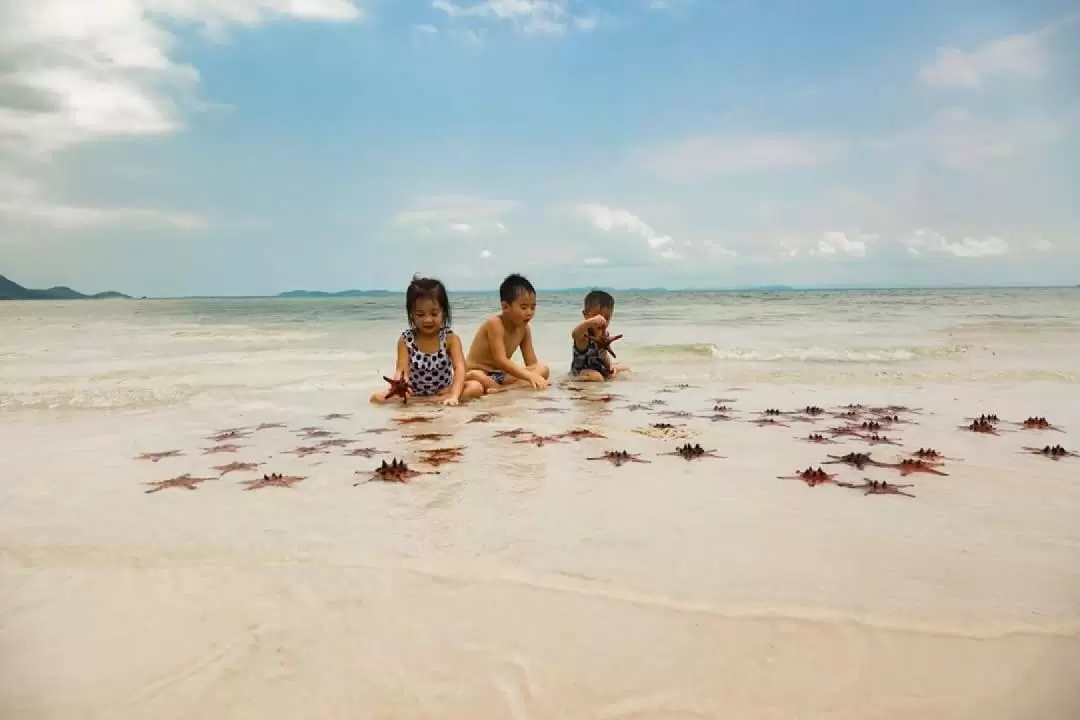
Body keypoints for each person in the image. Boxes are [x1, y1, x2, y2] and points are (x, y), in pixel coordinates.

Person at [370, 276, 485, 406]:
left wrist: (454, 393)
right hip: (414, 393)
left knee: (476, 387)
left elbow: (460, 368)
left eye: (434, 313)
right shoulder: (406, 340)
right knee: (376, 398)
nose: (427, 319)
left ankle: (440, 399)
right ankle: (427, 401)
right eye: (420, 314)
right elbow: (402, 370)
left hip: (443, 391)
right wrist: (399, 382)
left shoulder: (450, 338)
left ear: (444, 313)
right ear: (411, 315)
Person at [464, 273, 550, 391]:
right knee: (476, 377)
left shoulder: (524, 329)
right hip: (480, 373)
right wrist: (530, 376)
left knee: (542, 369)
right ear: (505, 307)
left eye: (533, 307)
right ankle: (502, 388)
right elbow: (501, 360)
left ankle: (502, 389)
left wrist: (534, 375)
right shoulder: (495, 324)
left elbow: (531, 363)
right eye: (524, 307)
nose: (529, 312)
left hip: (501, 375)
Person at [570, 289, 630, 382]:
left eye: (606, 318)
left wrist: (610, 368)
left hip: (599, 369)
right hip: (582, 372)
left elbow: (604, 354)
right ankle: (570, 381)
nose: (601, 320)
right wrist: (590, 322)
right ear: (585, 315)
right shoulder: (584, 335)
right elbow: (574, 334)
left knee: (626, 369)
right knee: (597, 377)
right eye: (596, 316)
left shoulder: (604, 336)